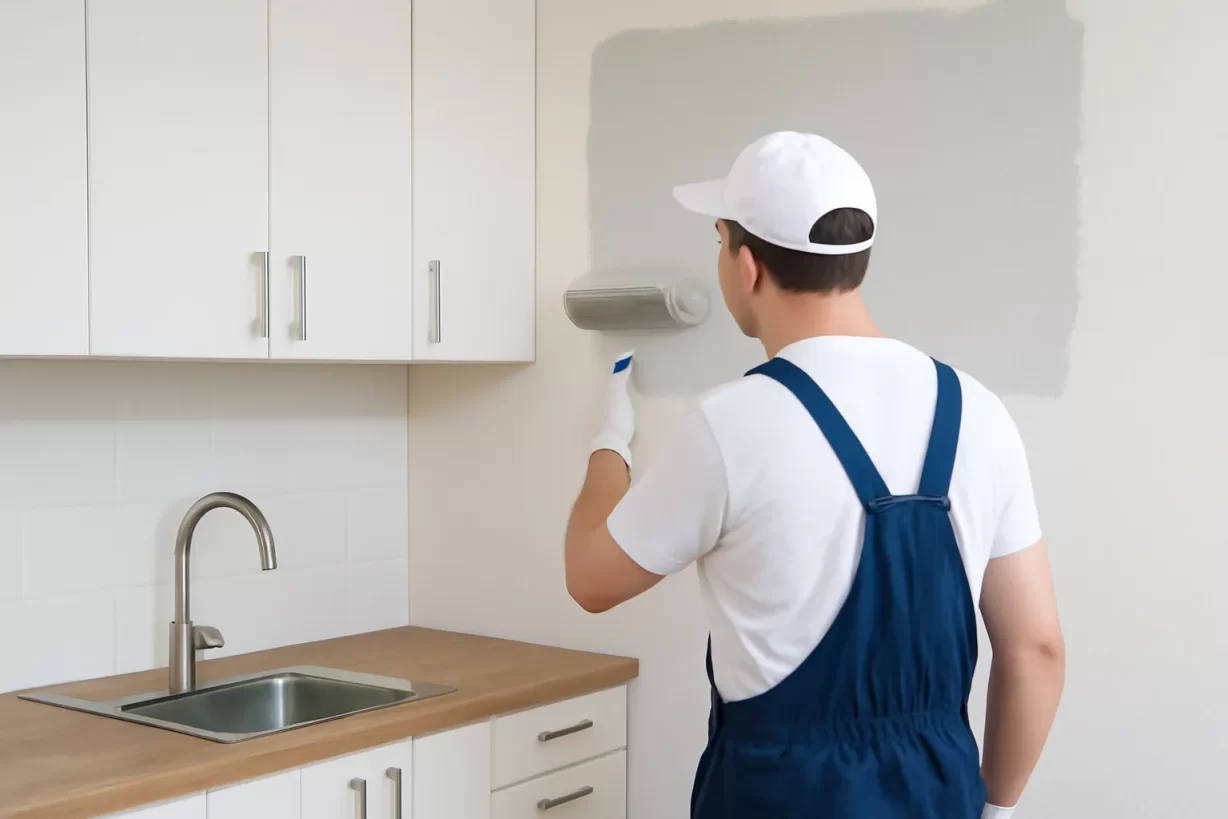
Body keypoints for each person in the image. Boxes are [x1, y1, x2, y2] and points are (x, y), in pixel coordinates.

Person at [563, 131, 1065, 818]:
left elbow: (591, 578)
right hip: (940, 797)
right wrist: (996, 807)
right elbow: (1036, 647)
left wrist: (608, 445)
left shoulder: (733, 423)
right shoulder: (979, 412)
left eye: (718, 241)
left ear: (746, 266)